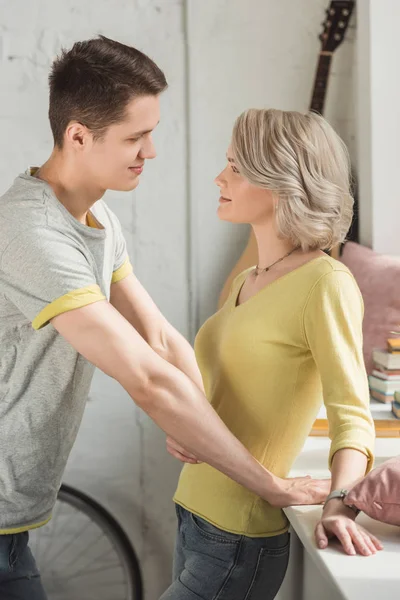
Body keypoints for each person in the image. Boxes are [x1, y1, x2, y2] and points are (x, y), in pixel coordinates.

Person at [0, 39, 328, 599]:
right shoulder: (33, 233)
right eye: (135, 137)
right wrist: (271, 485)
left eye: (150, 133)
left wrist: (195, 421)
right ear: (78, 135)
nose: (150, 151)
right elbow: (146, 378)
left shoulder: (95, 217)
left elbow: (157, 337)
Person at [161, 108, 383, 600]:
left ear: (284, 182)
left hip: (238, 536)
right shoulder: (248, 280)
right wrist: (183, 425)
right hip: (192, 512)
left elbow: (352, 414)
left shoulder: (326, 283)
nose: (220, 177)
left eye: (237, 168)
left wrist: (340, 503)